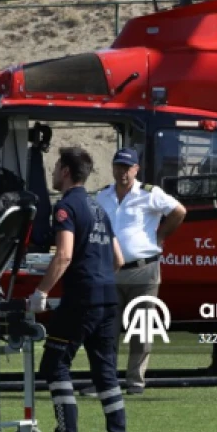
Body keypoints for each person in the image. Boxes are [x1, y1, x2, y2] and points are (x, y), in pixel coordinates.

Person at [28, 147, 128, 432]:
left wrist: (41, 291)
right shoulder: (99, 208)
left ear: (66, 171)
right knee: (106, 374)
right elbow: (118, 258)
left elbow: (64, 255)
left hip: (82, 300)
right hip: (108, 297)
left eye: (57, 166)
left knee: (55, 365)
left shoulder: (66, 206)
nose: (54, 171)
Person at [93, 148, 186, 395]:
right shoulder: (102, 196)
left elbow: (179, 211)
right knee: (106, 329)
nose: (123, 172)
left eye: (128, 167)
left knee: (141, 328)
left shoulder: (150, 194)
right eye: (119, 167)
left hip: (143, 270)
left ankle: (135, 380)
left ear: (136, 169)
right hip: (111, 270)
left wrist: (162, 235)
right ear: (112, 168)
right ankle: (106, 380)